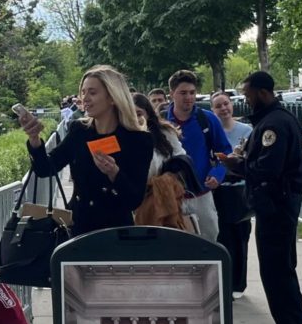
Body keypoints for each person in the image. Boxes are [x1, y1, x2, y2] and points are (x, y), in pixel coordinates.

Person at [225, 72, 302, 324]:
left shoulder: (273, 124)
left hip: (275, 204)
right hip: (279, 202)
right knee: (282, 265)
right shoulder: (276, 119)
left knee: (275, 268)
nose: (247, 101)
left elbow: (268, 169)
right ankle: (296, 320)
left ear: (263, 93)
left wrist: (238, 164)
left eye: (249, 95)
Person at [19, 66, 152, 235]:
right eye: (83, 92)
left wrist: (114, 173)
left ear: (112, 97)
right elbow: (46, 168)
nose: (85, 98)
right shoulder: (79, 131)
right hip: (78, 228)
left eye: (93, 92)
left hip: (116, 233)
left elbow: (134, 199)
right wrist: (34, 138)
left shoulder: (138, 140)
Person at [163, 70, 228, 244]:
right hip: (169, 198)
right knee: (172, 248)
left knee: (209, 245)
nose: (189, 97)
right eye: (183, 93)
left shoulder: (207, 120)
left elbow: (225, 152)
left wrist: (218, 173)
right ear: (172, 94)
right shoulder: (160, 122)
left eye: (192, 92)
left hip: (202, 196)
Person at [210, 90, 252, 298]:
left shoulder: (247, 130)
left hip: (240, 190)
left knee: (241, 237)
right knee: (223, 237)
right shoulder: (212, 131)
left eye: (225, 104)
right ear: (212, 110)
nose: (223, 109)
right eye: (218, 106)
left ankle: (238, 284)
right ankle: (222, 282)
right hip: (218, 190)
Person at [131, 92, 194, 231]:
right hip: (134, 202)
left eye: (139, 113)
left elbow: (182, 158)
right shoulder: (122, 136)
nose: (135, 118)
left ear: (148, 113)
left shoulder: (164, 132)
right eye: (130, 113)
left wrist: (168, 178)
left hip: (166, 197)